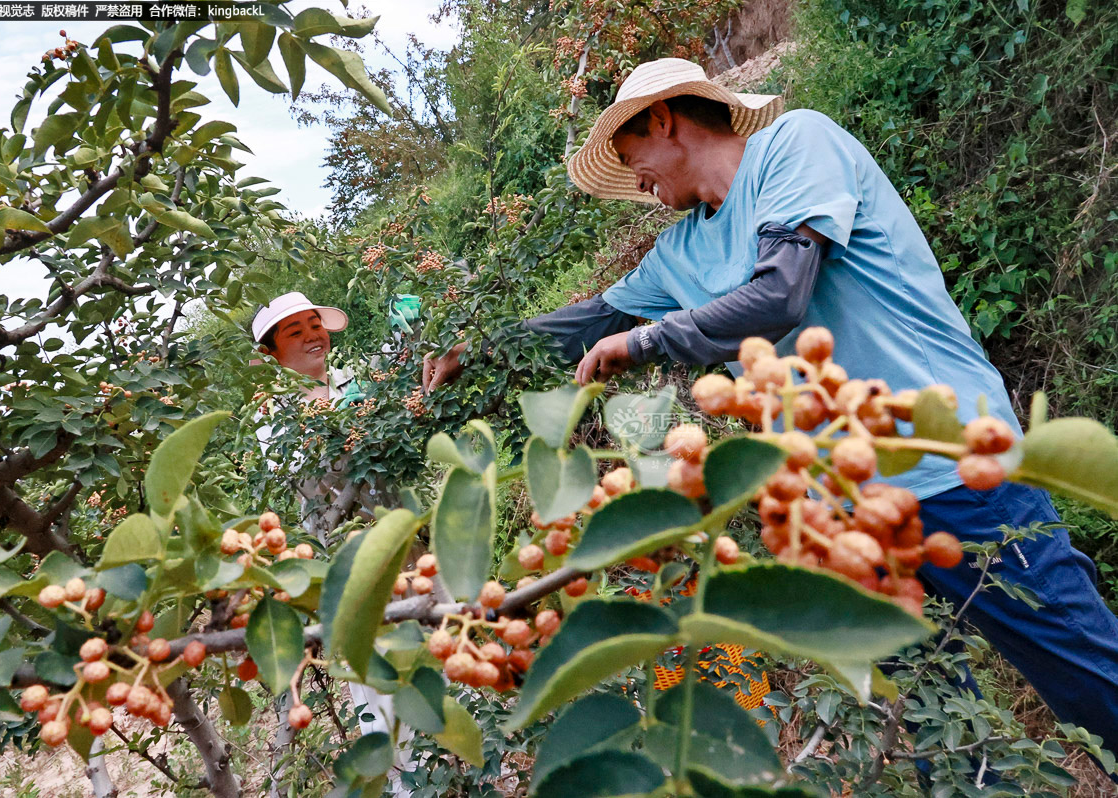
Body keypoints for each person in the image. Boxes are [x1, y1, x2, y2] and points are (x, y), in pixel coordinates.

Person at [423, 58, 1118, 761]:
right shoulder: (677, 251)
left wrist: (648, 340)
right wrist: (474, 352)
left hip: (954, 467)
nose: (635, 181)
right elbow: (594, 319)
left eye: (631, 158)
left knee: (1084, 668)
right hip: (845, 512)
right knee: (941, 726)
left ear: (662, 120)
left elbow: (780, 293)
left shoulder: (796, 144)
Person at [252, 292, 415, 794]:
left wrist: (407, 342)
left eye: (314, 324)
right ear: (270, 353)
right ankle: (409, 788)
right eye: (294, 331)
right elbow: (295, 464)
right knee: (382, 695)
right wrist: (340, 422)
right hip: (351, 571)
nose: (312, 336)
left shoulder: (355, 380)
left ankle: (466, 775)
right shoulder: (272, 415)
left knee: (445, 661)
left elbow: (404, 403)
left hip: (412, 552)